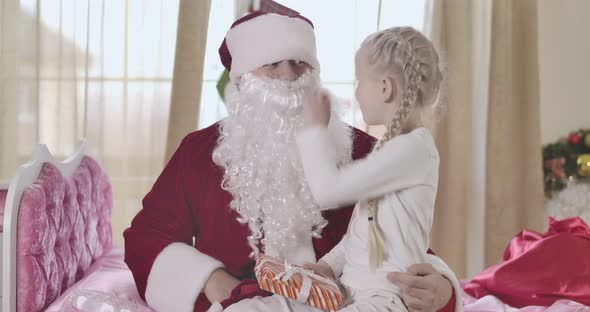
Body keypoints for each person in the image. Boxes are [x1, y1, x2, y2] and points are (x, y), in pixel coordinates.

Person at [124, 12, 458, 312]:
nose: (288, 76)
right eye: (272, 64)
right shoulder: (198, 153)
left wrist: (441, 288)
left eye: (301, 64)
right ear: (243, 80)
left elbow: (396, 239)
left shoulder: (368, 150)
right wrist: (212, 281)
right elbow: (147, 237)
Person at [290, 26, 460, 312]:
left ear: (385, 88)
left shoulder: (413, 149)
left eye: (360, 81)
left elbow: (328, 191)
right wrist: (327, 267)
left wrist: (315, 129)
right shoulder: (392, 149)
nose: (356, 92)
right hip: (351, 294)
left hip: (384, 301)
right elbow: (362, 233)